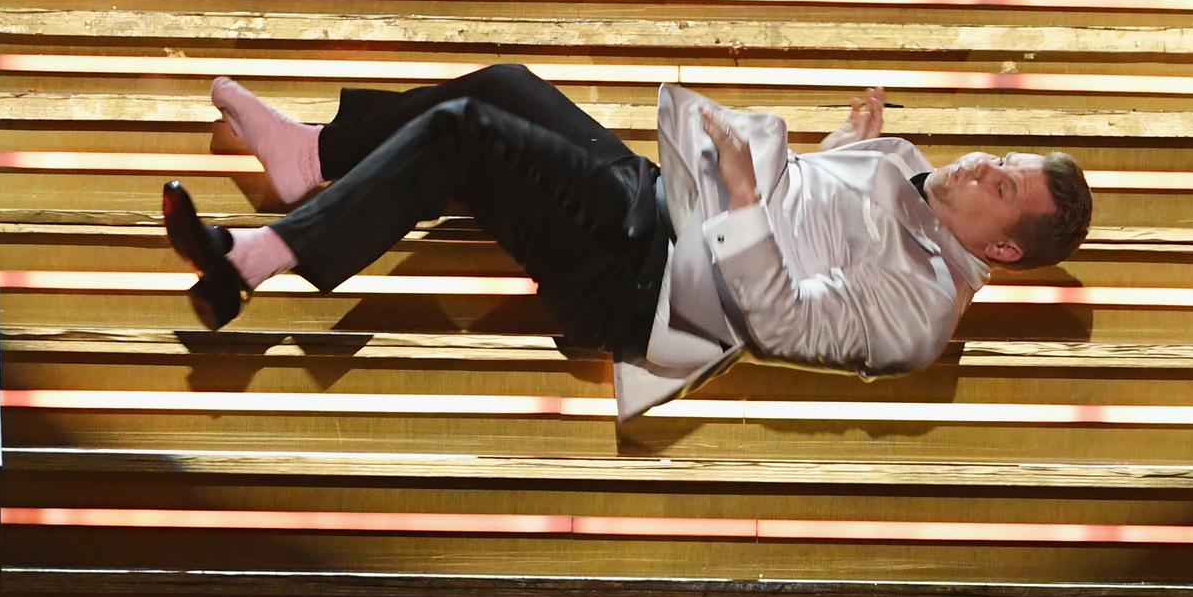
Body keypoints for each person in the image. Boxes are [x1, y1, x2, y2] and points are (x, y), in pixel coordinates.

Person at [163, 64, 1092, 420]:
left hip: (649, 283)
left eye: (999, 184)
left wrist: (738, 199)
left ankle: (254, 258)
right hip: (660, 207)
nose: (979, 164)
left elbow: (779, 320)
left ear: (1003, 252)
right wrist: (853, 147)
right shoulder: (911, 169)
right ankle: (310, 155)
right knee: (503, 87)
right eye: (998, 156)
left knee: (466, 135)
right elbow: (819, 204)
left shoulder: (919, 312)